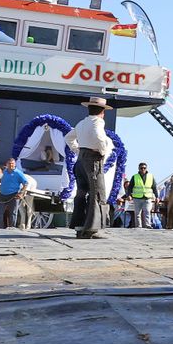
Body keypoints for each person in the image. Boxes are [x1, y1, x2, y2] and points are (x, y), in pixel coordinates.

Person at [64, 97, 113, 239]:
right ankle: (92, 229)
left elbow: (68, 137)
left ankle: (79, 226)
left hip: (81, 160)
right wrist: (103, 151)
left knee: (81, 194)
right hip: (93, 161)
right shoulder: (98, 122)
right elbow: (98, 136)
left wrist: (78, 150)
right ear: (102, 112)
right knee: (97, 194)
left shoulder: (81, 123)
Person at [0, 157, 33, 228]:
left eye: (12, 164)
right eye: (9, 164)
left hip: (13, 195)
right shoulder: (5, 171)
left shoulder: (18, 173)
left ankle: (11, 227)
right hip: (2, 195)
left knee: (12, 213)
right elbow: (3, 179)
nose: (11, 165)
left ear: (15, 164)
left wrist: (21, 192)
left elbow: (25, 183)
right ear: (7, 164)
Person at [127, 162, 156, 229]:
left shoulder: (150, 176)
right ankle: (138, 226)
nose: (143, 169)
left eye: (144, 168)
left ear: (146, 168)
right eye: (141, 168)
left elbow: (154, 187)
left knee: (147, 212)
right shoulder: (135, 176)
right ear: (139, 168)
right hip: (137, 197)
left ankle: (147, 225)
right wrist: (129, 195)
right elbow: (130, 187)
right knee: (137, 213)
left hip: (147, 197)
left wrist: (156, 197)